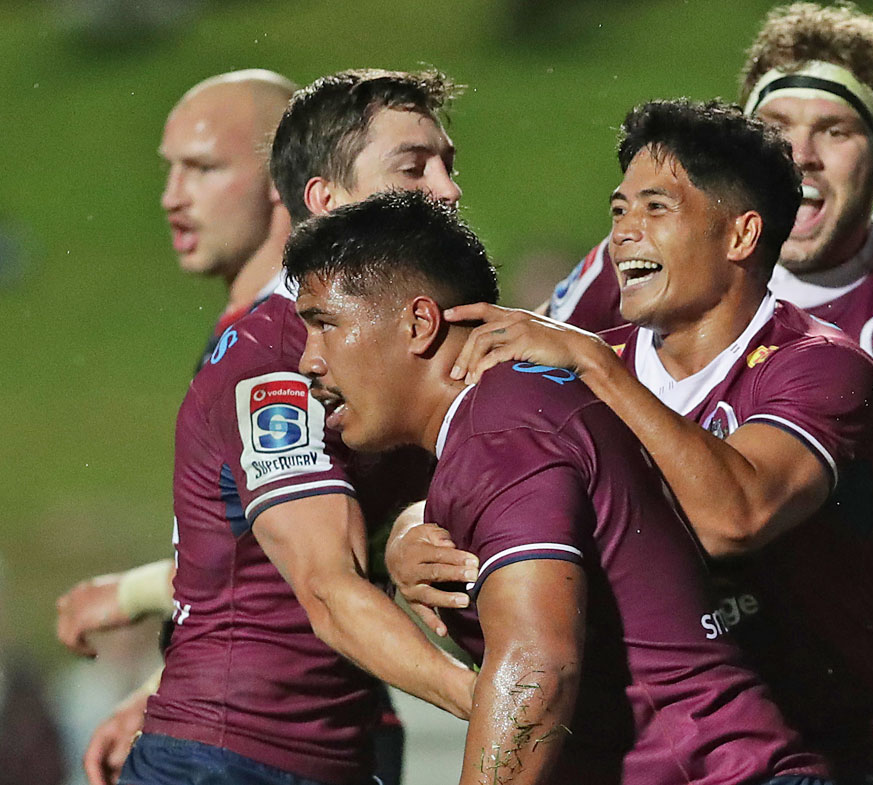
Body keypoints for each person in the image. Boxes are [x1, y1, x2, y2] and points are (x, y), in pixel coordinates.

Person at [543, 5, 873, 764]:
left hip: (870, 692)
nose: (802, 154)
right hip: (681, 692)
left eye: (837, 131)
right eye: (779, 125)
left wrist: (810, 636)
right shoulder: (627, 265)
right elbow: (516, 423)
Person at [421, 98, 873, 782]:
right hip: (665, 760)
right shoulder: (587, 367)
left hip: (832, 755)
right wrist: (411, 533)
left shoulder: (824, 366)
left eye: (656, 208)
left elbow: (734, 517)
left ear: (742, 235)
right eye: (619, 210)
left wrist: (596, 365)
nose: (624, 233)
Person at [289, 189, 830, 785]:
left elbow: (537, 667)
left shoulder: (499, 429)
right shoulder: (511, 410)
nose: (308, 360)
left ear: (419, 324)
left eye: (325, 324)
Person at [116, 69, 469, 785]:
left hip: (325, 747)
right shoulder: (279, 356)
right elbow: (325, 586)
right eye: (413, 167)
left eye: (448, 164)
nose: (448, 189)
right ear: (325, 199)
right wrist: (497, 702)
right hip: (229, 757)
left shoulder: (406, 336)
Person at [51, 69, 305, 785]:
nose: (170, 194)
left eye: (202, 167)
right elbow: (244, 561)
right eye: (169, 168)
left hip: (259, 733)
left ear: (282, 180)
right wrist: (159, 688)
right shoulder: (245, 331)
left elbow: (301, 558)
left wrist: (128, 593)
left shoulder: (289, 344)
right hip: (234, 716)